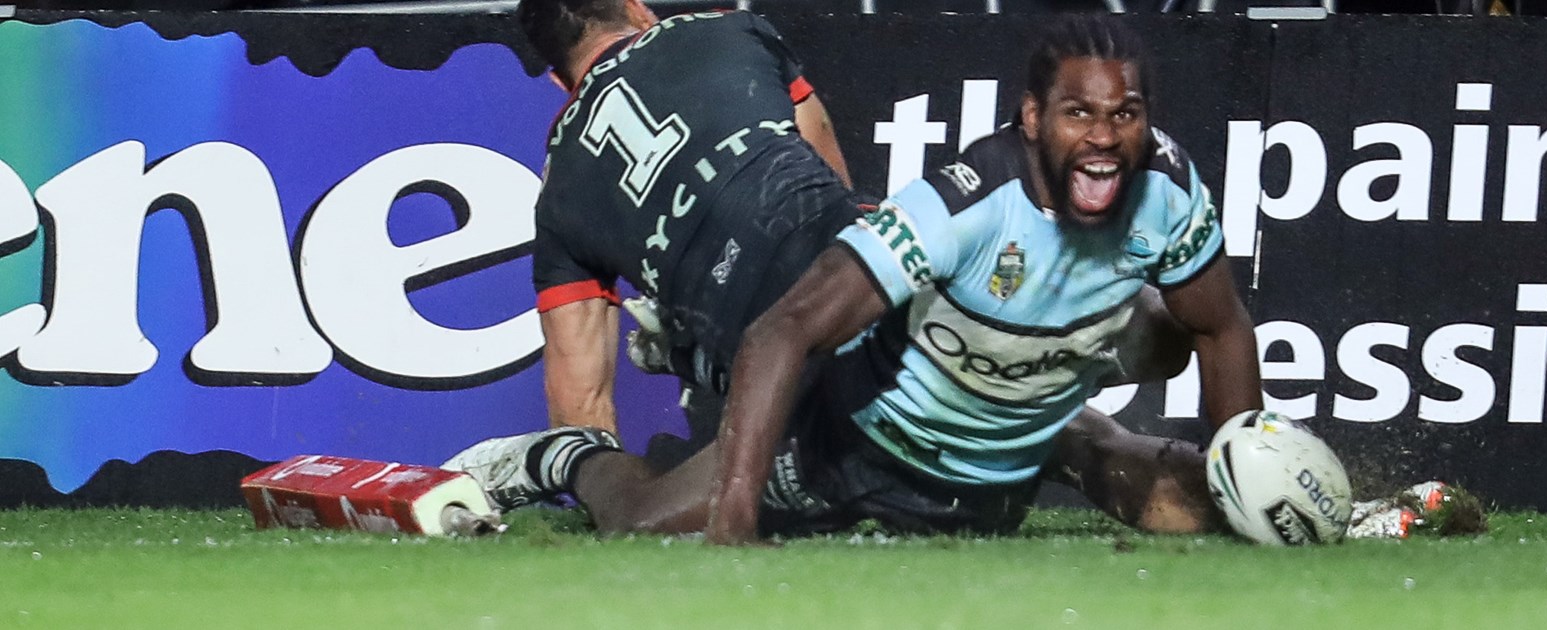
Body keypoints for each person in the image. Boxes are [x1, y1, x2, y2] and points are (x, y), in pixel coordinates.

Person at [447, 12, 1262, 543]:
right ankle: (1087, 338)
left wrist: (591, 449)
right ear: (637, 10)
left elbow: (582, 396)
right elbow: (826, 163)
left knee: (639, 514)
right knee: (1053, 394)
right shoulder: (731, 32)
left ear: (558, 80)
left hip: (802, 333)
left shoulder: (558, 201)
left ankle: (567, 453)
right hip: (860, 285)